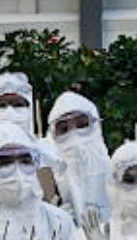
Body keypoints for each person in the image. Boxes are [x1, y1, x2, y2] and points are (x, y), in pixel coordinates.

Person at [47, 91, 115, 226]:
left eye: (82, 125)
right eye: (64, 129)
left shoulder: (124, 178)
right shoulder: (46, 187)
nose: (75, 136)